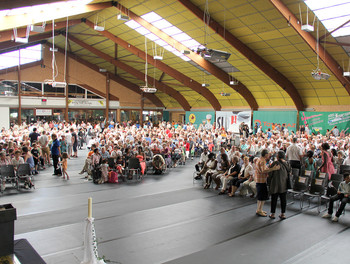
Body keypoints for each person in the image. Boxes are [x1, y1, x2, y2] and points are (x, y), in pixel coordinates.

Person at [255, 149, 280, 217]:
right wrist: (273, 168)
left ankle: (259, 209)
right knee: (262, 197)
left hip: (258, 179)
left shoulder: (259, 159)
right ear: (266, 154)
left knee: (260, 196)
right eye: (268, 154)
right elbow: (264, 170)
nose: (269, 155)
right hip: (261, 180)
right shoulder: (262, 161)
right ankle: (259, 210)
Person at [268, 151, 291, 220]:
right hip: (283, 184)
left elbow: (270, 173)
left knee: (274, 199)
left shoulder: (275, 163)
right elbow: (289, 171)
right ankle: (283, 214)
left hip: (275, 184)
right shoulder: (287, 163)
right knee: (283, 199)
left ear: (277, 156)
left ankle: (273, 214)